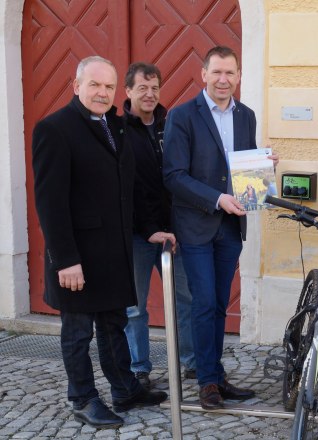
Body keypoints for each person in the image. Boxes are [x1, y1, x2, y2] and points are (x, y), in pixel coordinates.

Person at [31, 56, 167, 429]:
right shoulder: (54, 129)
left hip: (113, 253)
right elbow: (50, 202)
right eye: (94, 85)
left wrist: (149, 227)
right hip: (76, 258)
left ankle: (124, 388)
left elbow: (131, 189)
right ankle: (83, 398)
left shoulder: (118, 127)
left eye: (108, 86)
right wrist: (65, 260)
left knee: (114, 324)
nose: (102, 92)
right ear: (76, 86)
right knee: (78, 332)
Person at [163, 45, 278, 410]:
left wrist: (263, 164)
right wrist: (217, 199)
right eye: (217, 72)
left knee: (217, 304)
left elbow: (241, 168)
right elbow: (174, 176)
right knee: (204, 302)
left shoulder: (246, 116)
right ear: (203, 75)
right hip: (196, 224)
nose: (223, 80)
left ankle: (216, 374)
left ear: (239, 76)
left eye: (230, 73)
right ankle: (207, 382)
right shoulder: (182, 116)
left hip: (231, 227)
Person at [122, 62, 197, 389]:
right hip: (137, 234)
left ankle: (191, 363)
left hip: (175, 232)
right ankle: (139, 368)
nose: (149, 94)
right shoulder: (118, 130)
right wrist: (147, 226)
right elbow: (126, 189)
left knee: (186, 300)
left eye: (154, 88)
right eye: (142, 88)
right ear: (128, 92)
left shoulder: (172, 124)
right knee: (135, 307)